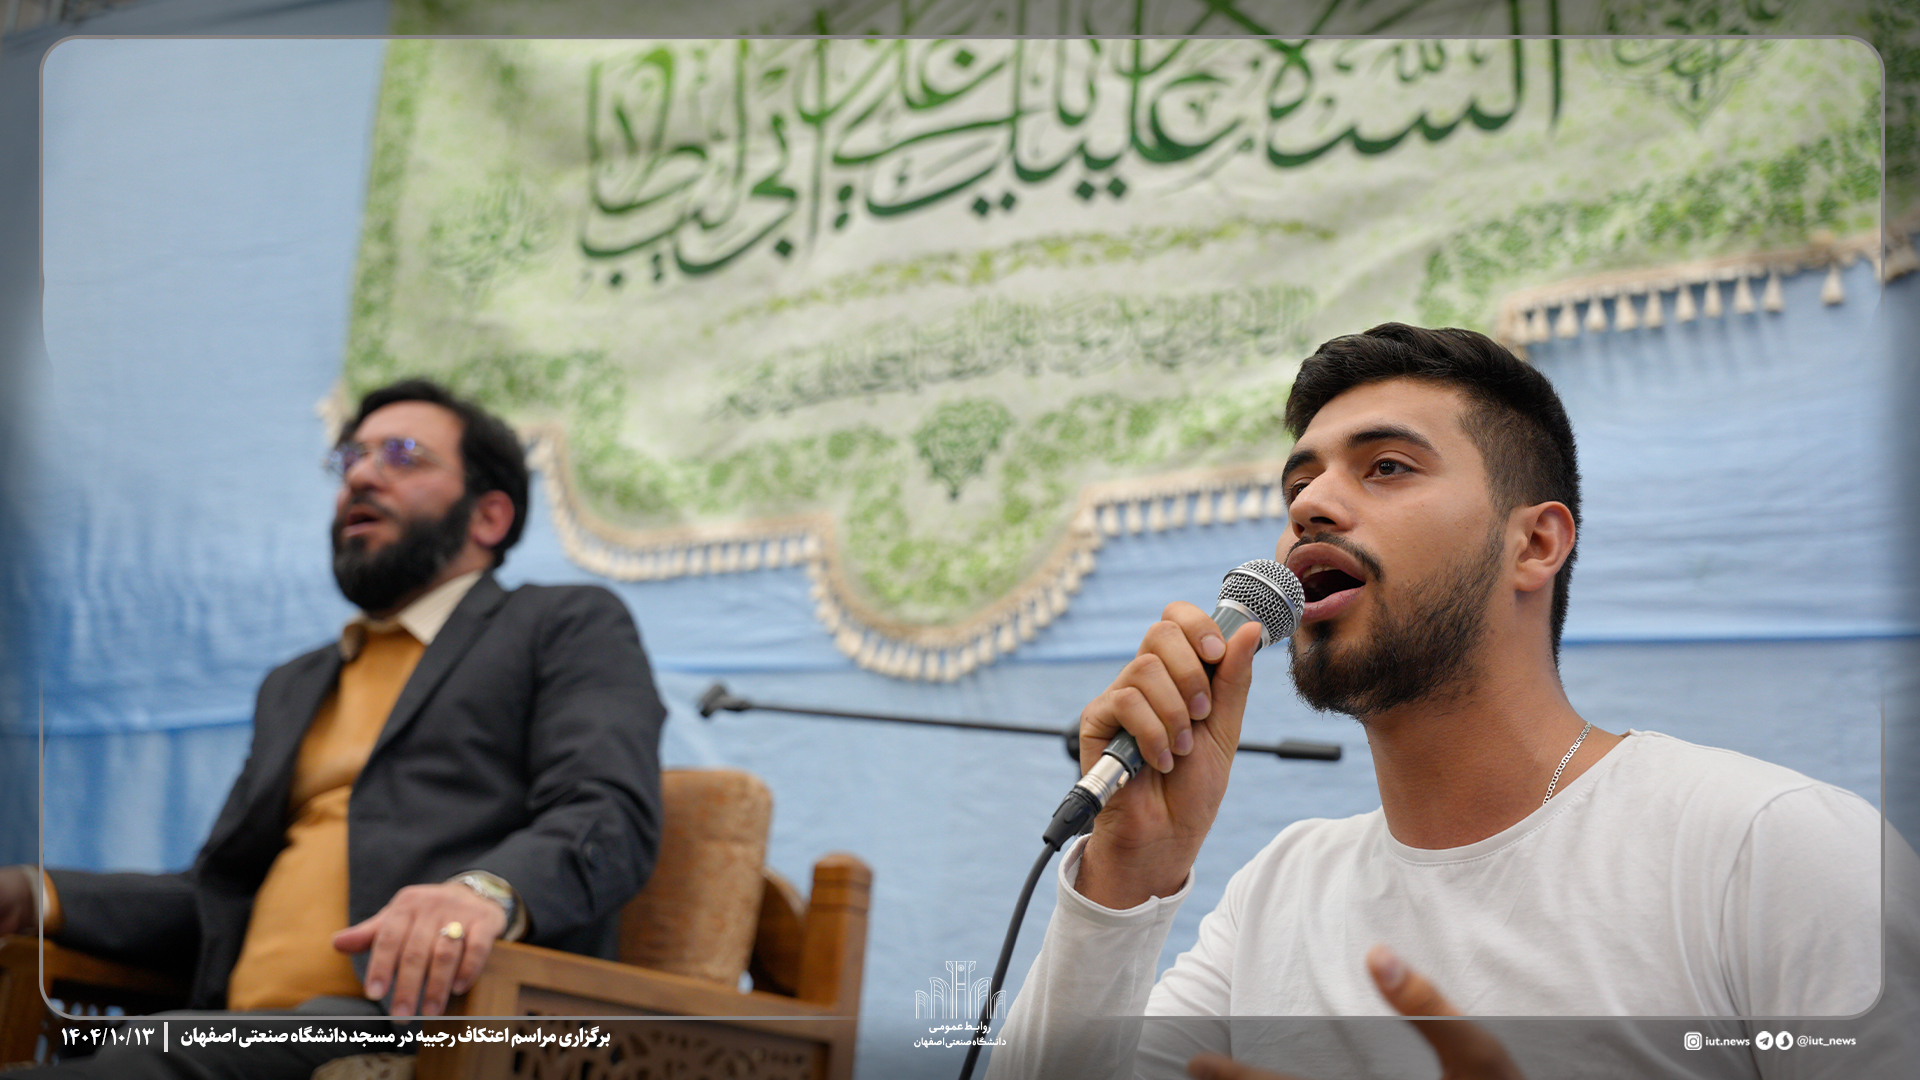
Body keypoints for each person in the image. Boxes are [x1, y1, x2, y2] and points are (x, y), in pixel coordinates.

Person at [986, 324, 1909, 1080]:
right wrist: (1128, 871)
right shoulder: (1282, 891)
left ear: (1534, 545)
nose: (1310, 507)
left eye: (1386, 467)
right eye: (1299, 484)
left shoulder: (1771, 848)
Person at [0, 379, 666, 1077]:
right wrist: (37, 894)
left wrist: (481, 895)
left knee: (149, 1051)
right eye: (350, 459)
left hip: (429, 1028)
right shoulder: (296, 684)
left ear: (489, 517)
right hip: (236, 1033)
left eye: (402, 456)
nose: (362, 476)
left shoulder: (559, 625)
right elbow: (217, 901)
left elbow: (607, 814)